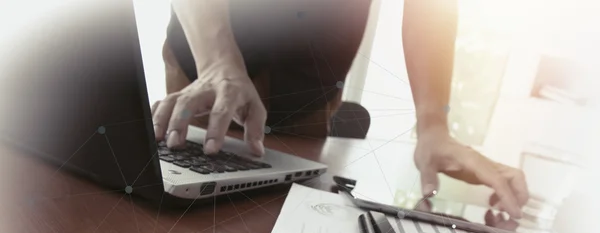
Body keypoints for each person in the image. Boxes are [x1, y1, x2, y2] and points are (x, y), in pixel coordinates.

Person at [151, 0, 529, 218]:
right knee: (173, 202)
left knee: (278, 222)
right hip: (203, 67)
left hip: (310, 88)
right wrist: (217, 58)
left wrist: (433, 125)